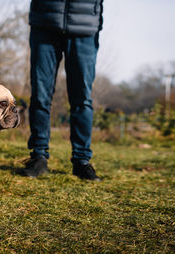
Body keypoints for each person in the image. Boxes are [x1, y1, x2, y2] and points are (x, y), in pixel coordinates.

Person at [19, 0, 103, 180]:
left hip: (85, 24)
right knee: (40, 96)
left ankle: (82, 161)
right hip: (45, 20)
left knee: (82, 99)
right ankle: (39, 157)